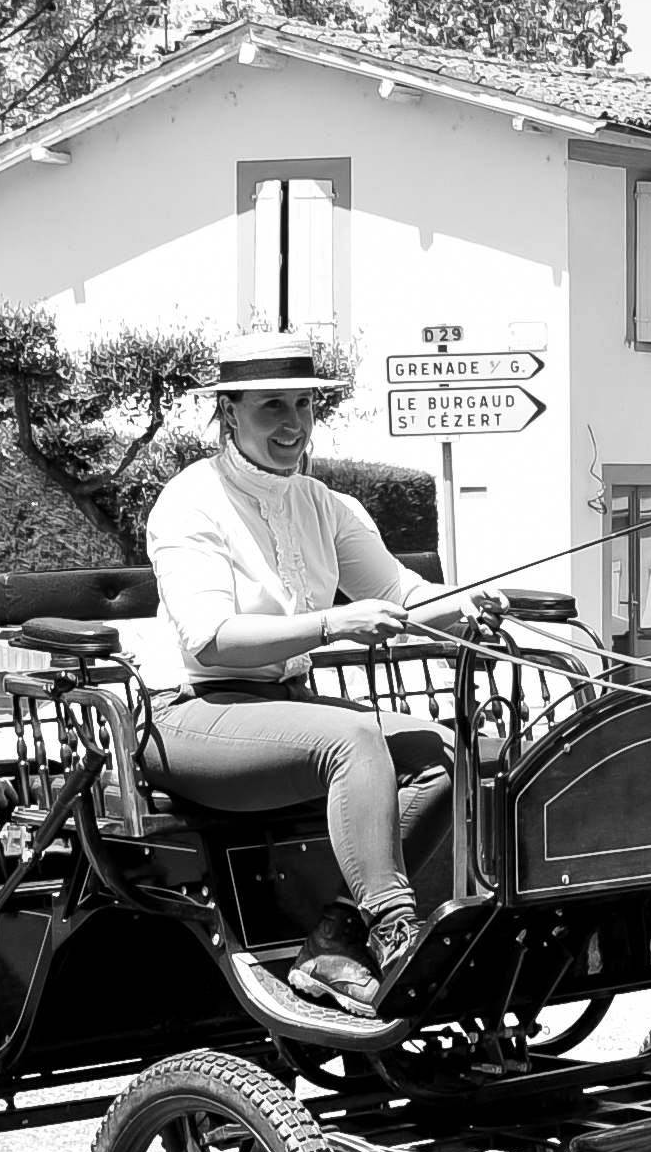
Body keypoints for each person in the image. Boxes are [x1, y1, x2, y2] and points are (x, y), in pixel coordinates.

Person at [143, 332, 460, 1015]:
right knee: (350, 739)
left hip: (283, 705)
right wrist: (331, 624)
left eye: (303, 406)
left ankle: (336, 933)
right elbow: (213, 640)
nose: (292, 424)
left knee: (441, 754)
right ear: (228, 413)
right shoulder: (189, 500)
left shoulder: (324, 504)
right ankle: (395, 929)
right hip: (188, 714)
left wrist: (475, 609)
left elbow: (403, 593)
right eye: (271, 407)